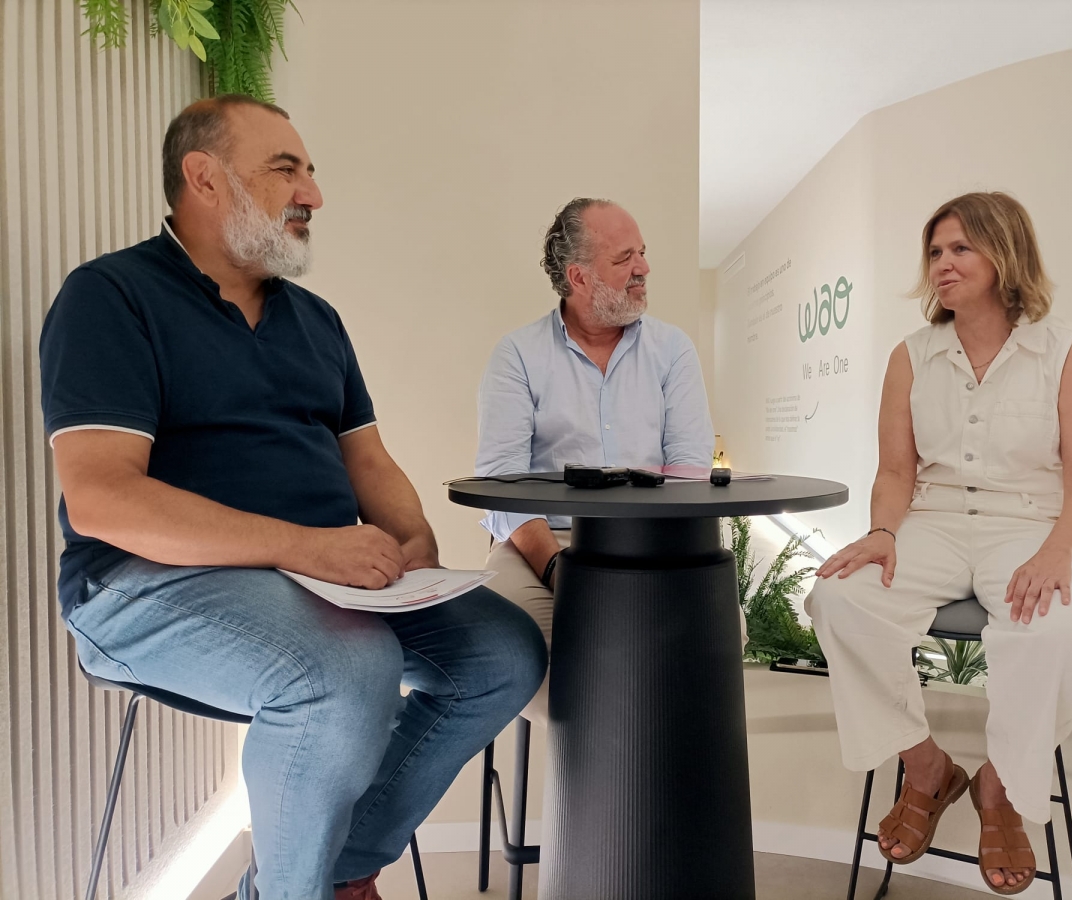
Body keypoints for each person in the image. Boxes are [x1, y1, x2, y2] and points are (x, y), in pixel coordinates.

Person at [39, 95, 546, 900]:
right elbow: (103, 501)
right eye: (286, 168)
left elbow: (368, 462)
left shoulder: (316, 321)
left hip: (309, 579)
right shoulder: (111, 297)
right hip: (140, 585)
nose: (312, 194)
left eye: (309, 171)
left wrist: (412, 542)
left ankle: (333, 875)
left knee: (503, 652)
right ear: (202, 178)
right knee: (345, 667)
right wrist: (303, 545)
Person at [804, 192, 1072, 895]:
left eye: (960, 249)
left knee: (1061, 631)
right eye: (935, 251)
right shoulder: (912, 355)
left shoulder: (1065, 346)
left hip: (1038, 524)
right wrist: (883, 533)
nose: (941, 265)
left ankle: (1001, 787)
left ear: (1005, 254)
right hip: (935, 523)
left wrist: (1056, 549)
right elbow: (895, 471)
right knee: (838, 596)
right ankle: (926, 767)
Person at [475, 197, 715, 723]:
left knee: (715, 640)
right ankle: (619, 773)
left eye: (643, 254)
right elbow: (500, 485)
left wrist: (647, 559)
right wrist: (558, 569)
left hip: (650, 545)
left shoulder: (673, 352)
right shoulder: (517, 356)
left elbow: (691, 472)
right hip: (541, 547)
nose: (644, 269)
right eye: (625, 258)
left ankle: (641, 771)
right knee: (518, 658)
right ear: (578, 276)